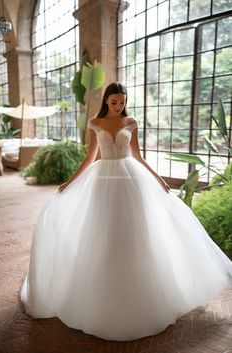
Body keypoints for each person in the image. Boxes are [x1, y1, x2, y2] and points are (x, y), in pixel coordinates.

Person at [20, 82, 232, 342]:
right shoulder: (95, 123)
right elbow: (90, 157)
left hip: (132, 178)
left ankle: (145, 293)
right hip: (103, 181)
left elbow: (139, 156)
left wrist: (159, 179)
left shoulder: (131, 122)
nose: (119, 106)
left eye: (122, 101)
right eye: (114, 102)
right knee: (103, 233)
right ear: (106, 100)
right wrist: (70, 181)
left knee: (137, 233)